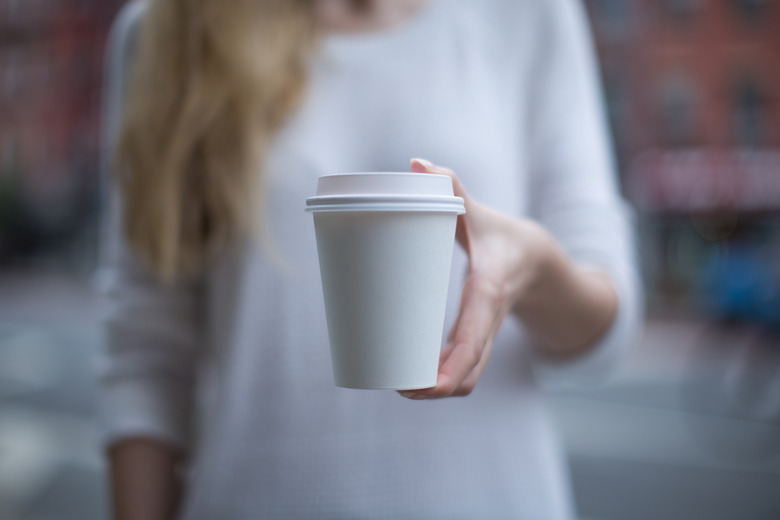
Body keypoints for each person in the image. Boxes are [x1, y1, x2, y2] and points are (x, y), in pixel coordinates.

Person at [99, 0, 642, 518]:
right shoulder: (167, 30)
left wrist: (532, 267)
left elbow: (605, 323)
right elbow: (146, 356)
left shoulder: (527, 12)